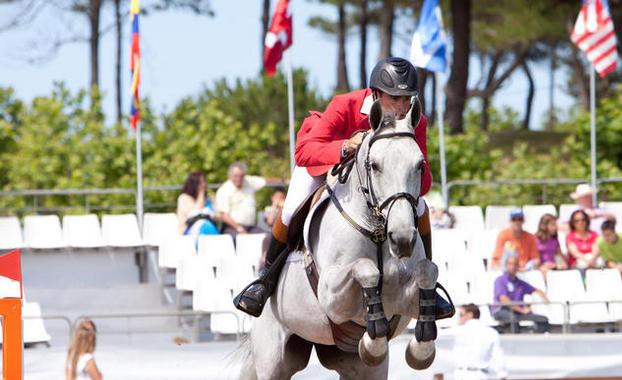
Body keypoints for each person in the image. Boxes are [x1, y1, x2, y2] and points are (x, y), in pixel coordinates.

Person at [234, 57, 453, 320]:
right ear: (376, 93)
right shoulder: (345, 105)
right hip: (326, 165)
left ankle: (426, 284)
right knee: (291, 208)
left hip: (381, 183)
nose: (402, 107)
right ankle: (265, 280)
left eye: (407, 99)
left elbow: (425, 183)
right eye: (395, 98)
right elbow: (304, 152)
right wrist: (345, 146)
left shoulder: (415, 121)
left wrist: (411, 165)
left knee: (419, 206)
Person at [216, 162, 284, 239]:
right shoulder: (224, 190)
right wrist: (239, 228)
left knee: (267, 238)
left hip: (250, 227)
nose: (239, 178)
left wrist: (284, 181)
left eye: (241, 176)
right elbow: (223, 215)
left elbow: (265, 181)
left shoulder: (248, 181)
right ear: (230, 176)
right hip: (232, 228)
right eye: (236, 176)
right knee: (243, 240)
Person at [492, 255, 550, 334]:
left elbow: (535, 290)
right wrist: (522, 310)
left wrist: (545, 299)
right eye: (510, 264)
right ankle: (515, 343)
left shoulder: (519, 283)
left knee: (542, 320)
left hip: (517, 312)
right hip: (501, 310)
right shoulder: (500, 280)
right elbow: (504, 300)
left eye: (515, 264)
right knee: (513, 319)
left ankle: (537, 341)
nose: (513, 267)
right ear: (506, 266)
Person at [451, 304, 505, 379]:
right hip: (480, 375)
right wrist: (502, 374)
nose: (459, 318)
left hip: (461, 375)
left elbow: (437, 336)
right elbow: (498, 355)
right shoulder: (491, 332)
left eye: (461, 315)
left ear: (470, 315)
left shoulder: (456, 330)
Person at [176, 172, 219, 239]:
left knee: (206, 226)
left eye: (204, 181)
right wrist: (201, 193)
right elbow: (197, 211)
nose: (204, 185)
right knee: (203, 225)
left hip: (210, 226)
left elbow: (218, 214)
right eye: (200, 183)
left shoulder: (210, 198)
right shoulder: (184, 198)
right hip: (189, 230)